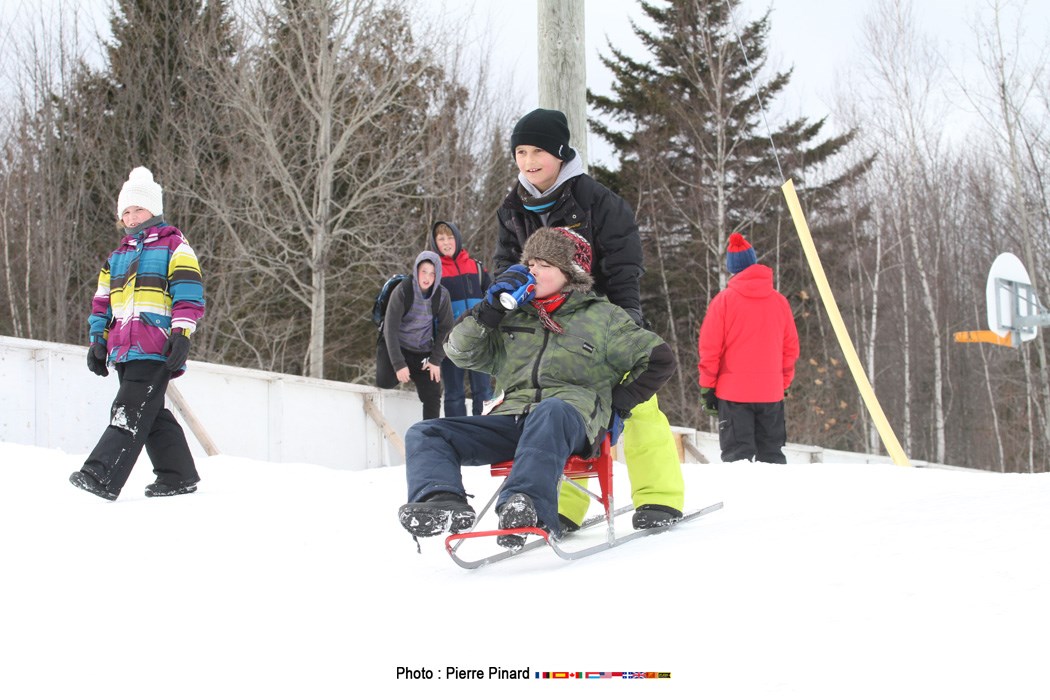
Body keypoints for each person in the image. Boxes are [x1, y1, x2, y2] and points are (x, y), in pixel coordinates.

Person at [397, 227, 676, 549]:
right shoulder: (512, 316)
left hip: (571, 418)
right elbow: (458, 352)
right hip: (515, 417)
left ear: (570, 274)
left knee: (551, 410)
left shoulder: (603, 318)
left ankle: (524, 502)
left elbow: (659, 359)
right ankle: (441, 500)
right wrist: (489, 312)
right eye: (529, 262)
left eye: (544, 264)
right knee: (426, 432)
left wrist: (618, 405)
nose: (532, 270)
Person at [494, 107, 685, 530]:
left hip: (601, 318)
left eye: (537, 151)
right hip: (547, 326)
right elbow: (505, 266)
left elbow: (623, 266)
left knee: (638, 405)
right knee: (557, 411)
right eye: (520, 152)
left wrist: (626, 320)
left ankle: (660, 497)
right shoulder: (512, 208)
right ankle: (565, 506)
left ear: (561, 153)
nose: (528, 162)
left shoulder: (597, 201)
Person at [69, 166, 206, 500]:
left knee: (128, 409)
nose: (132, 217)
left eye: (139, 209)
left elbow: (189, 295)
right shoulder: (117, 257)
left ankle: (101, 474)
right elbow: (102, 302)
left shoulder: (175, 247)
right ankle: (178, 476)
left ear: (154, 210)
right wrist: (97, 341)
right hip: (124, 349)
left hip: (156, 345)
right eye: (126, 211)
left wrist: (181, 334)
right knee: (151, 412)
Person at [698, 232, 800, 463]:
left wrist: (707, 387)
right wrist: (783, 382)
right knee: (772, 455)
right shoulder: (779, 302)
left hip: (733, 395)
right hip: (771, 393)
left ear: (732, 268)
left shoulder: (723, 302)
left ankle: (741, 498)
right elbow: (790, 349)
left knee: (737, 457)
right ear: (753, 262)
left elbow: (710, 350)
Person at [376, 251, 453, 420]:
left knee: (433, 395)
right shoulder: (403, 290)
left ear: (437, 275)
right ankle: (403, 369)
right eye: (424, 271)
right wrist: (399, 364)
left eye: (432, 273)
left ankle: (429, 436)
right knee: (384, 382)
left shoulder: (441, 296)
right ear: (417, 270)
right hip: (396, 345)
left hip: (422, 350)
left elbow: (446, 328)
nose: (427, 277)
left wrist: (435, 360)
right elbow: (390, 328)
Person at [430, 220, 493, 416]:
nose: (446, 242)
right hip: (451, 339)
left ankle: (484, 432)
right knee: (454, 393)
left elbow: (492, 298)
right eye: (441, 239)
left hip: (478, 339)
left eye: (450, 237)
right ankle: (456, 436)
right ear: (435, 243)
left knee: (483, 391)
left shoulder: (475, 267)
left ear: (457, 239)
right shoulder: (434, 272)